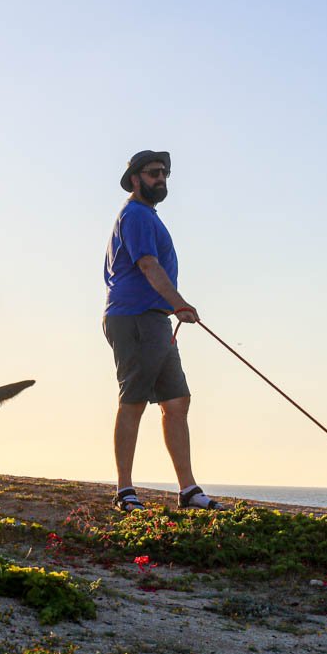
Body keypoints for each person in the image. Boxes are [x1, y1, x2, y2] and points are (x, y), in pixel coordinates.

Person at [103, 150, 225, 513]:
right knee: (134, 401)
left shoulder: (148, 216)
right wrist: (179, 303)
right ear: (136, 179)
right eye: (154, 173)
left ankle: (188, 490)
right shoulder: (136, 215)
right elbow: (147, 265)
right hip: (136, 316)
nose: (161, 179)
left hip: (156, 319)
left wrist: (171, 308)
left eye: (165, 174)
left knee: (176, 401)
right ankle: (125, 491)